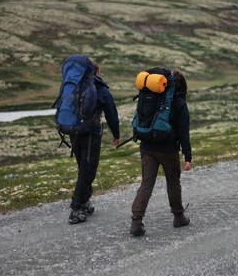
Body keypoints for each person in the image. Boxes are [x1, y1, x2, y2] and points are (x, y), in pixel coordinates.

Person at [130, 70, 192, 237]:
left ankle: (136, 220)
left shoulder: (150, 97)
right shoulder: (178, 102)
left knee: (146, 184)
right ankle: (178, 216)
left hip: (147, 146)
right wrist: (188, 156)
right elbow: (184, 132)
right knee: (173, 182)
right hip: (168, 149)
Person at [68, 62, 120, 224]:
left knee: (83, 168)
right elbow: (111, 113)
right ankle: (76, 208)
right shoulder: (100, 89)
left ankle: (84, 201)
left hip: (73, 132)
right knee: (88, 170)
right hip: (91, 134)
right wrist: (116, 134)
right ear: (97, 71)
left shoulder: (74, 86)